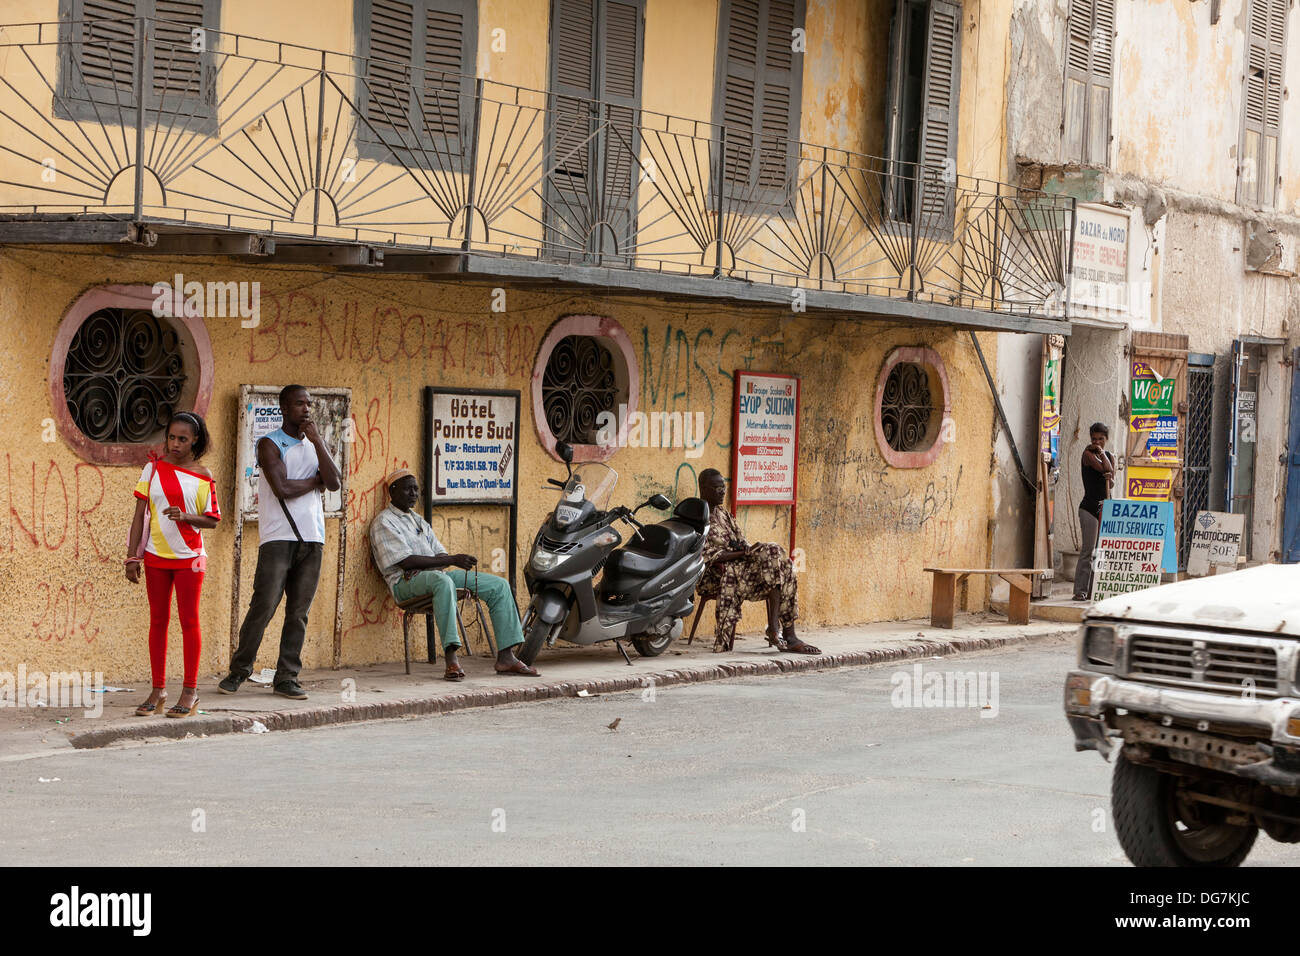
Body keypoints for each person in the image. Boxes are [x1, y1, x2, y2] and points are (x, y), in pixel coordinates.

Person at [219, 385, 341, 700]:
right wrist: (316, 482)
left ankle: (287, 677)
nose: (306, 410)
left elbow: (335, 481)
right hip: (278, 537)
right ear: (283, 408)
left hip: (313, 538)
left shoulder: (316, 444)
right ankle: (239, 670)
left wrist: (317, 441)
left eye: (309, 404)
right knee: (263, 606)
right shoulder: (269, 443)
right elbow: (282, 487)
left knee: (298, 612)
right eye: (299, 404)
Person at [368, 468, 539, 680]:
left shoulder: (418, 520)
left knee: (499, 586)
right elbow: (405, 562)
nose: (413, 494)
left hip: (434, 575)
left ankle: (506, 657)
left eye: (416, 489)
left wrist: (437, 562)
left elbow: (439, 553)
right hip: (405, 583)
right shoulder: (384, 522)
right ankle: (451, 659)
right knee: (442, 581)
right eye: (407, 489)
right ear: (392, 492)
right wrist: (447, 561)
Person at [126, 411, 221, 718]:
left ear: (195, 440)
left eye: (183, 438)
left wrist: (185, 517)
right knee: (158, 622)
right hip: (155, 557)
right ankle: (158, 690)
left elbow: (212, 519)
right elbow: (139, 515)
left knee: (189, 621)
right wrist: (132, 556)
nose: (175, 443)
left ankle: (191, 691)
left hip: (190, 559)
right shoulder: (151, 469)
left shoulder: (204, 475)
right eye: (171, 437)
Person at [696, 468, 820, 655]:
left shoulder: (724, 515)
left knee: (781, 565)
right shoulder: (698, 517)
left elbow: (741, 543)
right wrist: (742, 554)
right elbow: (706, 556)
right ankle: (785, 633)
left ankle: (780, 631)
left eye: (723, 487)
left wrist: (749, 549)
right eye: (716, 487)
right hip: (718, 576)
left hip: (741, 572)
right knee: (775, 561)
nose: (722, 491)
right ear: (703, 488)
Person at [1073, 422, 1116, 601]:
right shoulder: (1087, 454)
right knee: (1088, 551)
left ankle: (1094, 590)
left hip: (1104, 508)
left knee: (1101, 551)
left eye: (1101, 439)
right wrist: (1100, 453)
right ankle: (1080, 591)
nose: (1097, 442)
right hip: (1088, 508)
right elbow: (1105, 470)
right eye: (1094, 439)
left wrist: (1107, 461)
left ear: (1107, 439)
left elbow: (1111, 480)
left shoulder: (1109, 456)